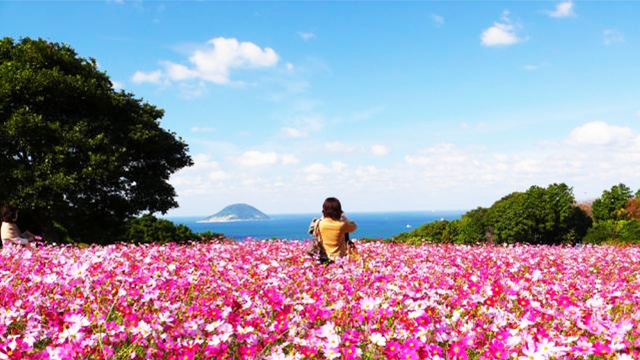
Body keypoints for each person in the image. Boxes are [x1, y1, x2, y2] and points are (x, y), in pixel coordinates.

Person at [312, 197, 357, 262]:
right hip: (338, 259)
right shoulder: (341, 224)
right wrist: (344, 218)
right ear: (339, 210)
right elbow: (354, 226)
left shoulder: (319, 223)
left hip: (323, 258)